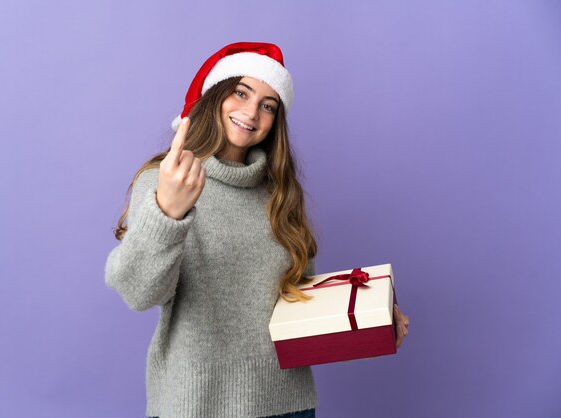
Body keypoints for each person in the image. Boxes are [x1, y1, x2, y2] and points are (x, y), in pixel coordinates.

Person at [104, 42, 409, 418]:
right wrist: (167, 213)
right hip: (197, 404)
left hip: (287, 405)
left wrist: (371, 320)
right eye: (241, 93)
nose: (251, 113)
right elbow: (137, 292)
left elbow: (298, 303)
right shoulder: (165, 181)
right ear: (216, 94)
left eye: (268, 105)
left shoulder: (280, 195)